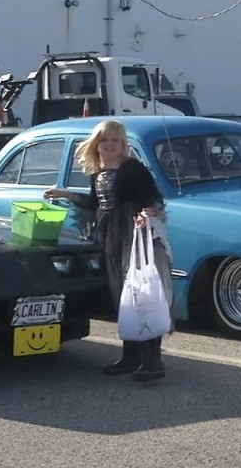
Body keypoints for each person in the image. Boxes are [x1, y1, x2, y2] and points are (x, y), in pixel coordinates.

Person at [43, 118, 173, 382]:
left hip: (137, 234)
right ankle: (131, 356)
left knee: (144, 294)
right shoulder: (97, 173)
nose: (110, 145)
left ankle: (152, 361)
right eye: (105, 140)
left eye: (116, 140)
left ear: (123, 144)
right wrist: (65, 194)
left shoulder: (132, 168)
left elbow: (154, 198)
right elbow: (95, 204)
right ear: (96, 144)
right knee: (124, 295)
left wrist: (148, 212)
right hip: (112, 237)